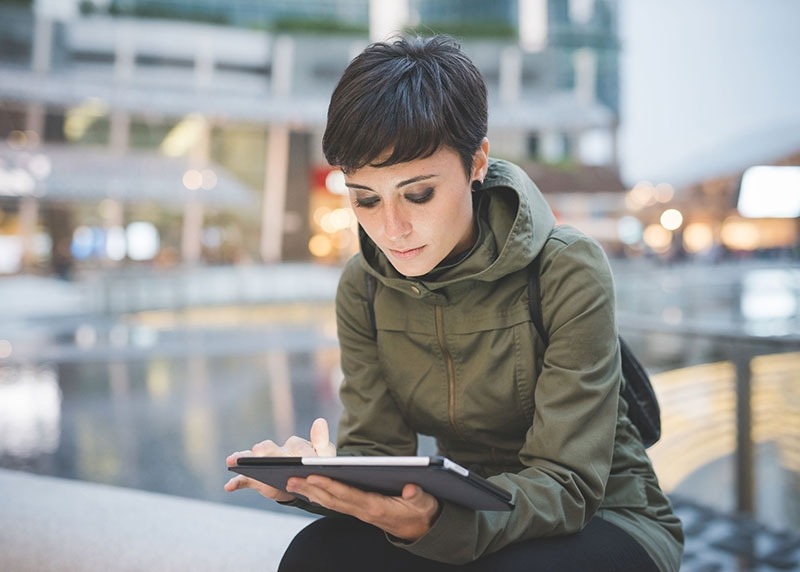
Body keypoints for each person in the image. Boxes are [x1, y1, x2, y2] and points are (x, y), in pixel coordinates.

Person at [225, 34, 684, 572]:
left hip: (603, 515)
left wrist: (440, 522)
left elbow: (569, 485)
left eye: (418, 194)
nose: (391, 229)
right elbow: (380, 456)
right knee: (317, 555)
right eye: (365, 199)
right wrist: (312, 481)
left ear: (477, 162)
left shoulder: (566, 267)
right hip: (460, 512)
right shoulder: (365, 286)